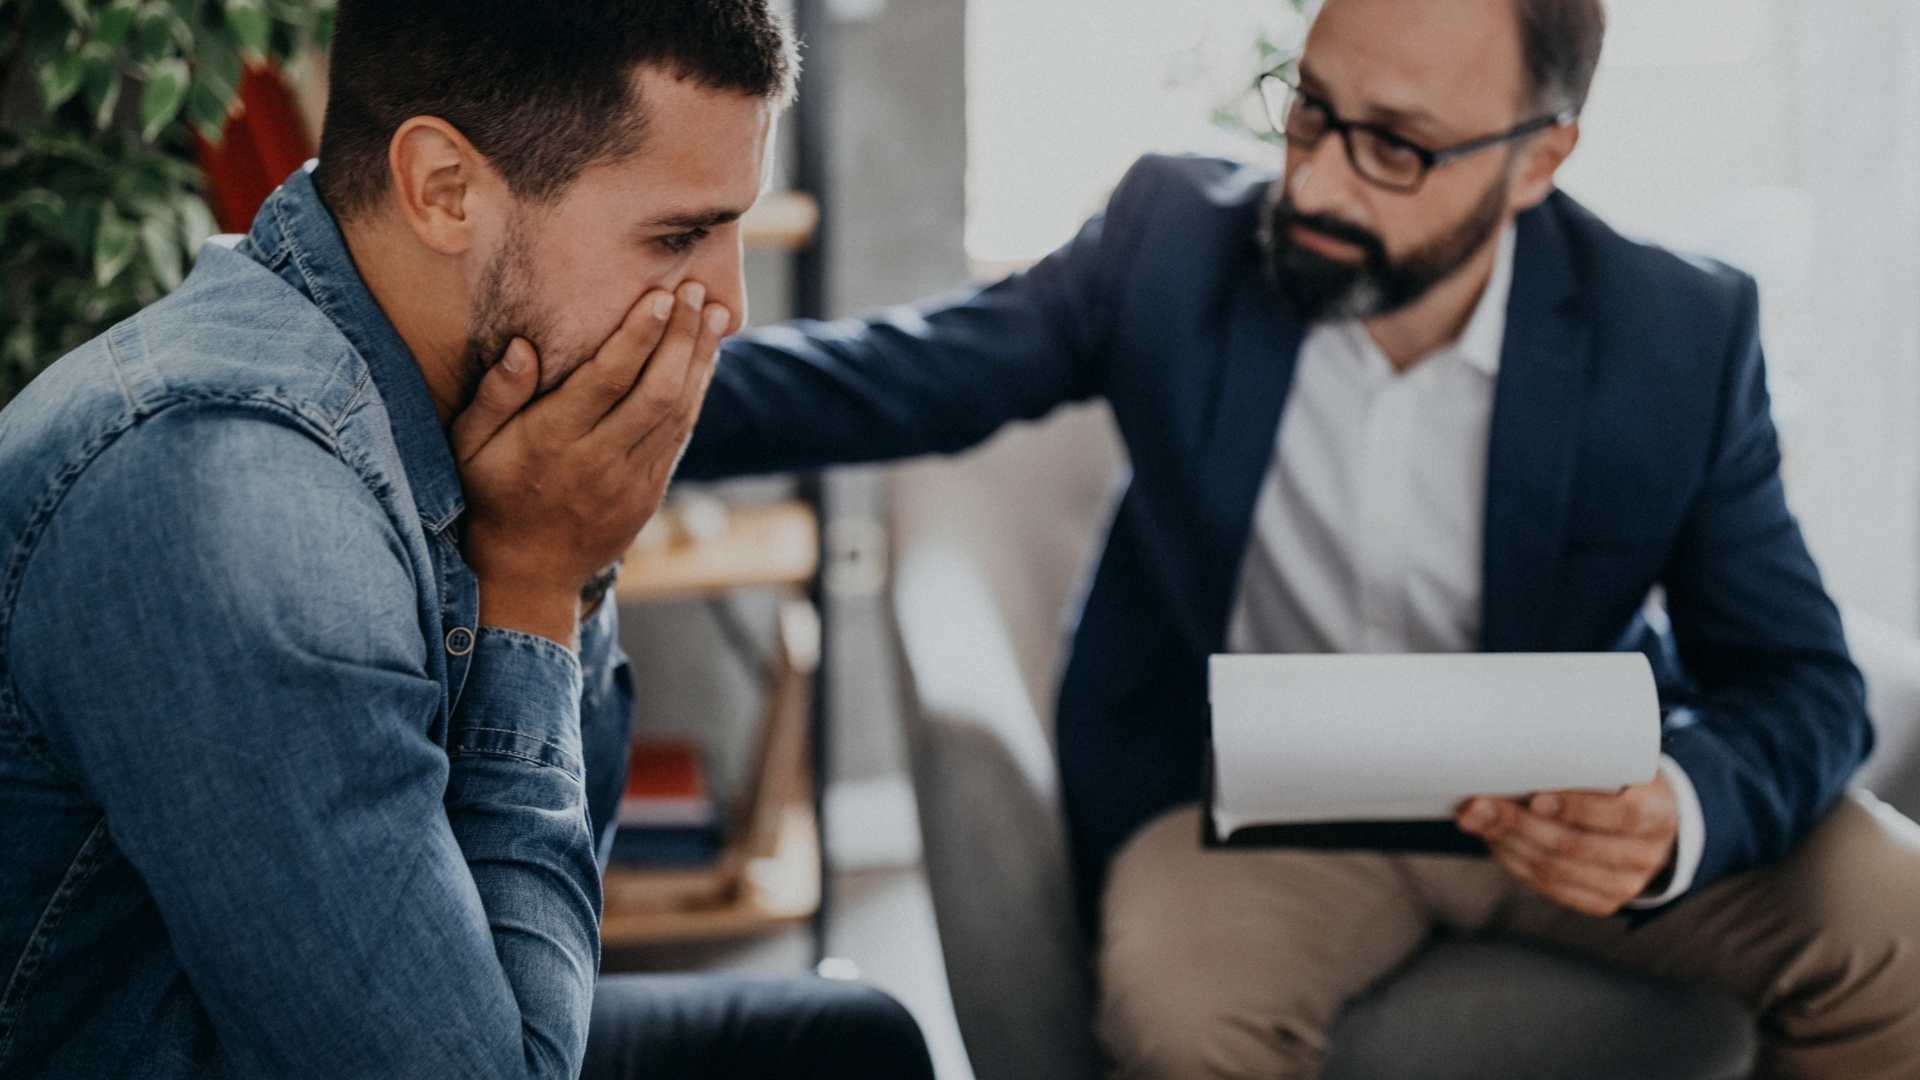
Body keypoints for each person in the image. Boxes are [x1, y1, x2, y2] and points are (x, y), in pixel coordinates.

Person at [631, 0, 1917, 1075]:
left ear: (1539, 160)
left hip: (1558, 816)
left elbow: (1805, 684)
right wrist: (588, 385)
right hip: (1251, 817)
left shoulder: (1676, 338)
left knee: (1899, 916)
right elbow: (893, 377)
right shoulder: (1176, 245)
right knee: (1183, 1015)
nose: (1317, 177)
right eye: (1310, 107)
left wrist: (1680, 808)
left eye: (1398, 148)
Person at [0, 2, 931, 1078]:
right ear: (443, 188)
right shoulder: (236, 501)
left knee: (851, 1045)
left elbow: (553, 888)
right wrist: (539, 580)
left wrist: (564, 580)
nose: (725, 303)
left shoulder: (438, 391)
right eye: (678, 235)